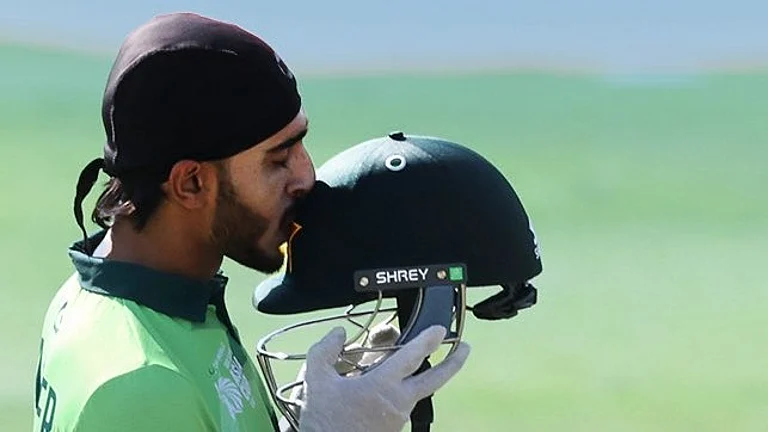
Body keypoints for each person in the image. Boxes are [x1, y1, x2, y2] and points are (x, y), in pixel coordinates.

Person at [33, 12, 470, 432]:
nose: (306, 177)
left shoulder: (116, 297)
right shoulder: (142, 387)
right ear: (190, 183)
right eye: (279, 159)